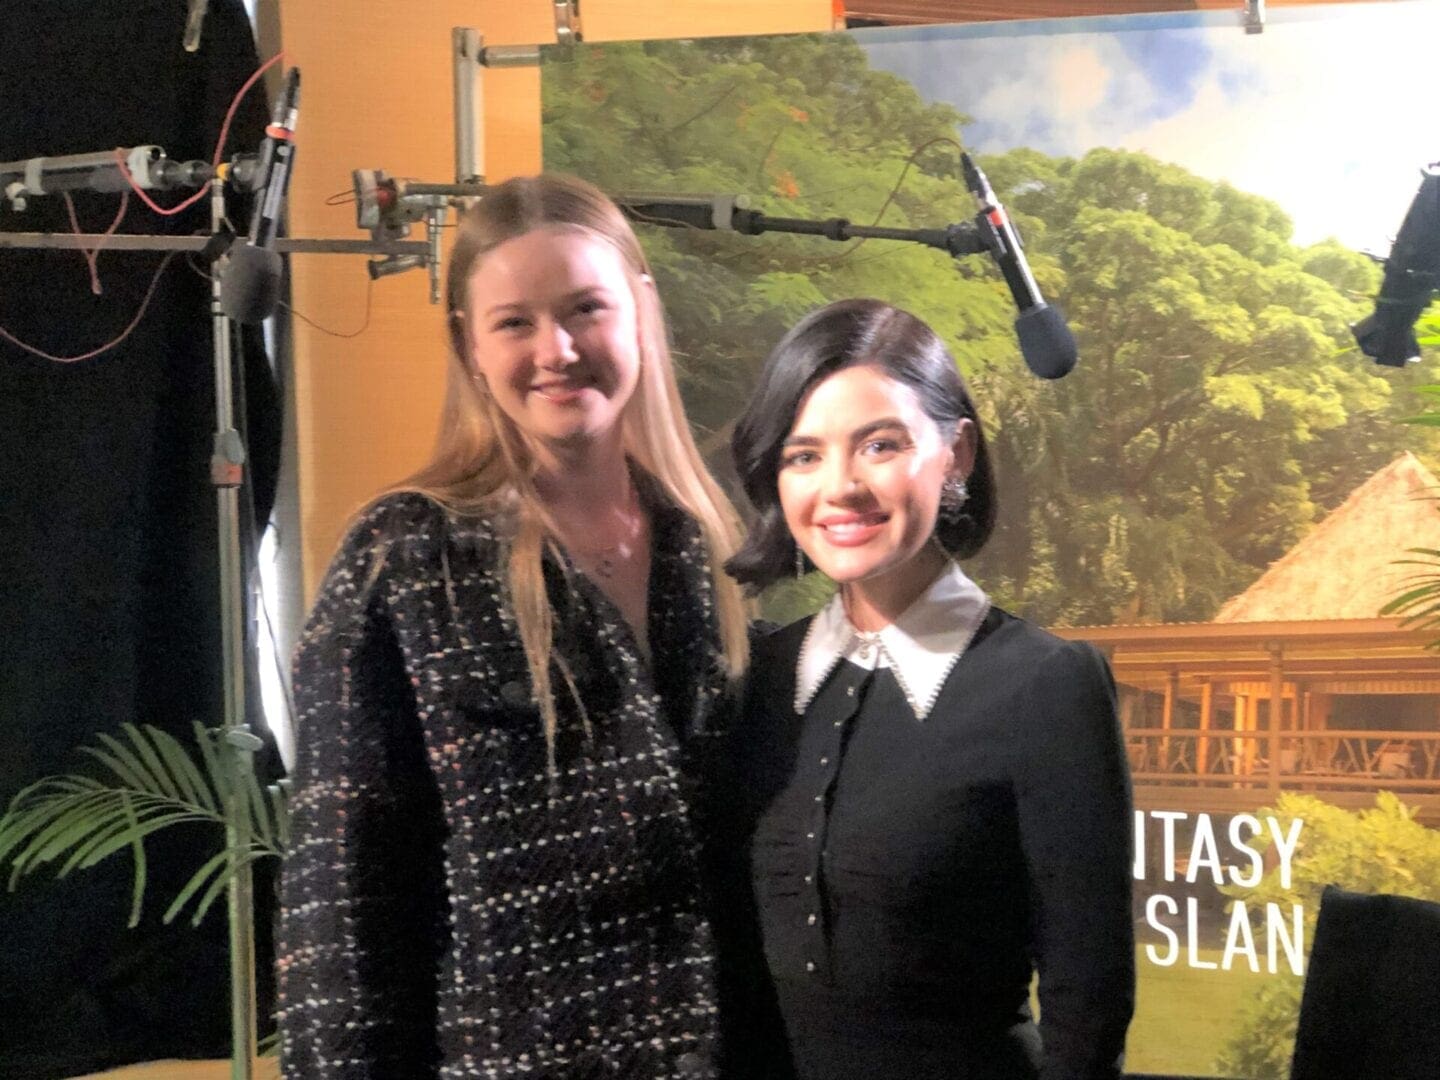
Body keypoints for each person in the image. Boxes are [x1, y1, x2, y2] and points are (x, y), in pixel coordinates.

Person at [277, 173, 756, 1079]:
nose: (558, 349)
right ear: (467, 341)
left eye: (586, 308)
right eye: (515, 322)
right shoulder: (403, 558)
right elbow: (339, 916)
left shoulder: (709, 547)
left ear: (641, 313)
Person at [723, 298, 1135, 1080]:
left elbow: (1090, 1010)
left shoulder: (1047, 685)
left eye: (880, 444)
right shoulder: (762, 678)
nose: (839, 487)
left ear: (957, 453)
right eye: (803, 456)